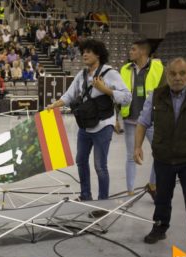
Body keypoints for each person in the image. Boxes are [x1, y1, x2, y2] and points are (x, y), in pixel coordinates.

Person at [47, 39, 131, 204]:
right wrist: (54, 105)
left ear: (98, 54)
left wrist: (106, 90)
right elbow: (69, 95)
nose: (85, 54)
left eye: (89, 51)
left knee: (100, 166)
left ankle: (103, 202)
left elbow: (127, 97)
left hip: (104, 124)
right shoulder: (82, 75)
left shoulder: (110, 73)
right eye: (83, 51)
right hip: (85, 125)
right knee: (81, 161)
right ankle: (85, 195)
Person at [134, 57, 186, 257]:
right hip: (163, 158)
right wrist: (137, 146)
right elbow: (143, 122)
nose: (177, 78)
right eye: (173, 73)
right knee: (162, 198)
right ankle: (160, 229)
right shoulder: (156, 95)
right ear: (167, 75)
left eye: (182, 73)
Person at [120, 39, 165, 197]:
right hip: (130, 119)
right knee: (130, 156)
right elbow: (119, 92)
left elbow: (165, 92)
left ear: (143, 52)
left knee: (160, 154)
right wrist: (116, 118)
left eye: (133, 49)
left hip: (151, 120)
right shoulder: (125, 69)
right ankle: (130, 192)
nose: (130, 52)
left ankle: (152, 184)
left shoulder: (159, 68)